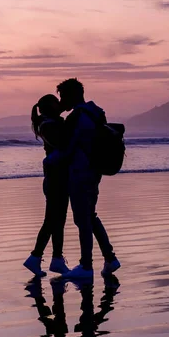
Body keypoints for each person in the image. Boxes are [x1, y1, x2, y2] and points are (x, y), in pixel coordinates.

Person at [47, 78, 120, 279]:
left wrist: (49, 161)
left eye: (63, 96)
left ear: (72, 95)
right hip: (94, 171)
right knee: (90, 216)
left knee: (82, 220)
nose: (61, 101)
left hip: (80, 172)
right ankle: (110, 259)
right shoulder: (97, 112)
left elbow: (68, 148)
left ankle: (86, 266)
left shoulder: (77, 117)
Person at [23, 94, 70, 277]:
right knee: (53, 220)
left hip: (58, 176)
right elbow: (63, 143)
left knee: (57, 220)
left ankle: (54, 258)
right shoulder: (48, 125)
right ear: (50, 107)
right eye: (56, 102)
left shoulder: (50, 123)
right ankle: (37, 256)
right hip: (55, 177)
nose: (60, 104)